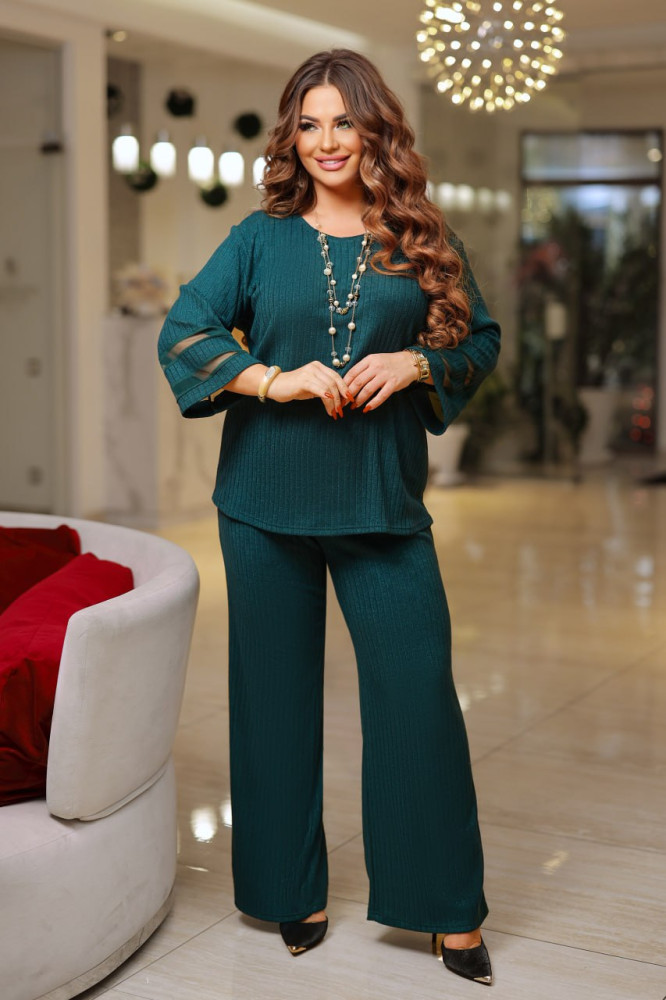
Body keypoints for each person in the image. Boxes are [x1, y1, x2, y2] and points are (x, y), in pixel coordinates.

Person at [158, 48, 500, 987]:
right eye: (308, 125)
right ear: (291, 137)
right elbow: (184, 332)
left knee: (418, 698)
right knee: (271, 702)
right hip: (262, 504)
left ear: (374, 129)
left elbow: (478, 340)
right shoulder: (258, 239)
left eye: (343, 122)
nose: (326, 142)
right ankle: (289, 891)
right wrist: (275, 380)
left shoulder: (418, 235)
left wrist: (417, 363)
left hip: (381, 504)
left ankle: (447, 908)